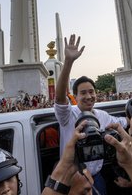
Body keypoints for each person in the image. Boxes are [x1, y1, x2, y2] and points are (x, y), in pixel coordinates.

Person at [54, 34, 128, 194]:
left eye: (91, 91)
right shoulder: (67, 115)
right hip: (71, 179)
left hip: (96, 177)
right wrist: (68, 62)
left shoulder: (102, 115)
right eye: (83, 93)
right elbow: (59, 97)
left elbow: (124, 123)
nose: (88, 96)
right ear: (75, 96)